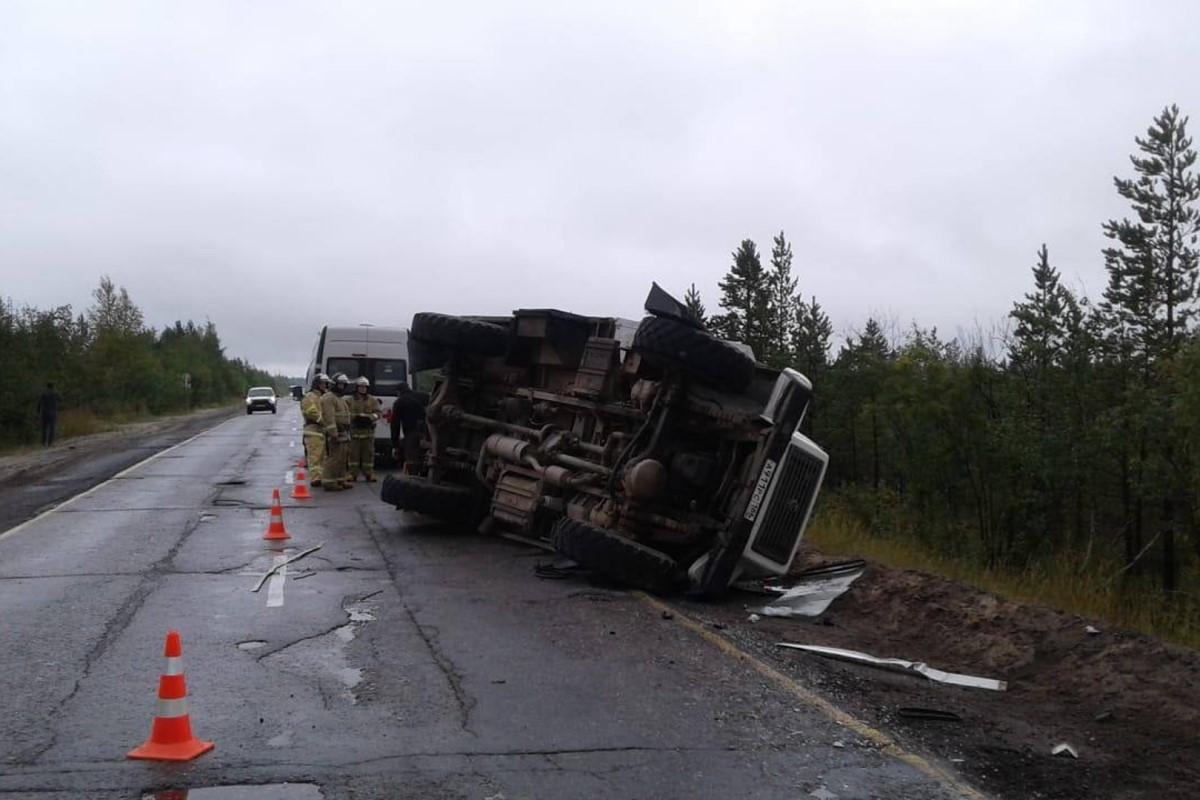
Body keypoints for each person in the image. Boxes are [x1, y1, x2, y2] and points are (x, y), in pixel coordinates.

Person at [320, 373, 350, 491]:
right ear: (335, 385)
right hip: (335, 433)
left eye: (344, 385)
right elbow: (329, 416)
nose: (342, 387)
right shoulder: (329, 398)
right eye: (340, 384)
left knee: (342, 458)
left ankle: (340, 479)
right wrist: (333, 433)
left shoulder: (340, 398)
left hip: (343, 432)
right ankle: (329, 481)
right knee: (334, 458)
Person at [347, 376, 380, 482]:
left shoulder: (372, 400)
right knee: (353, 455)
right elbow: (346, 413)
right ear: (357, 387)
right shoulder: (349, 400)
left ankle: (369, 474)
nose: (363, 389)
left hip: (368, 432)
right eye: (361, 387)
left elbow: (378, 413)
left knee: (369, 455)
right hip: (354, 432)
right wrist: (355, 417)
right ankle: (352, 474)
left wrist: (369, 418)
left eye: (365, 387)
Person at [390, 381, 426, 473]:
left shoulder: (399, 402)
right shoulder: (423, 396)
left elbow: (395, 425)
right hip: (427, 433)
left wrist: (395, 445)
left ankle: (413, 477)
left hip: (411, 433)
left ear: (398, 392)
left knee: (411, 459)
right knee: (425, 458)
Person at [301, 374, 330, 486]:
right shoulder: (309, 397)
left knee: (324, 455)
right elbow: (311, 412)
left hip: (322, 431)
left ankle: (322, 477)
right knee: (315, 455)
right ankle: (315, 478)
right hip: (313, 430)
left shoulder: (324, 397)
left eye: (325, 383)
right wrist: (324, 421)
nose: (324, 385)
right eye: (322, 383)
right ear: (317, 384)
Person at [36, 382, 60, 447]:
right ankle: (50, 443)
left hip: (44, 412)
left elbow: (39, 403)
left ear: (47, 387)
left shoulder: (43, 394)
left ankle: (43, 443)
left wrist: (38, 411)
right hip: (52, 412)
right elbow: (60, 399)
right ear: (53, 386)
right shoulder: (55, 393)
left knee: (44, 428)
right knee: (52, 428)